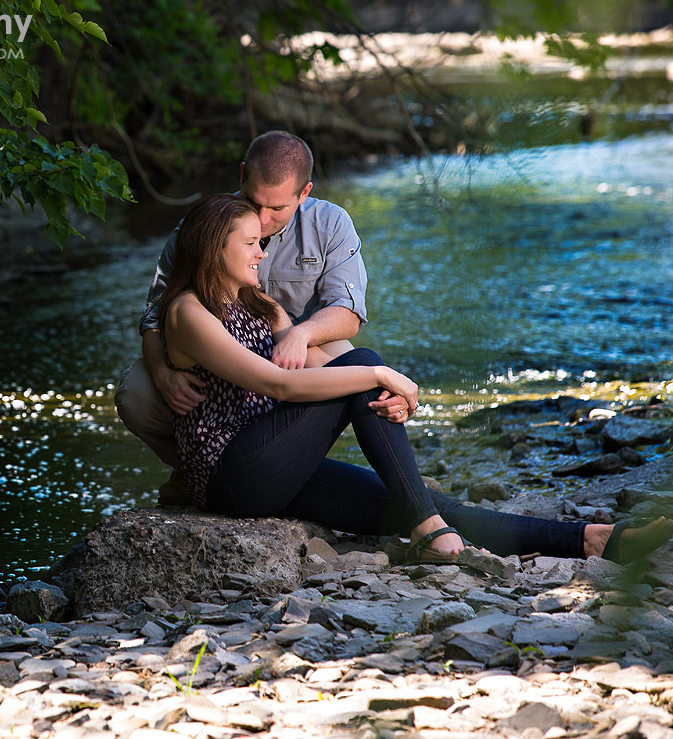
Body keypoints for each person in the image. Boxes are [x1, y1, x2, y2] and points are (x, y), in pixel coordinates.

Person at [157, 192, 669, 562]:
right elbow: (280, 385)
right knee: (363, 366)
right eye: (249, 243)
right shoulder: (187, 312)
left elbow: (314, 369)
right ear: (212, 246)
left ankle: (593, 539)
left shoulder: (259, 303)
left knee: (418, 500)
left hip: (277, 464)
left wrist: (381, 395)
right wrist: (378, 372)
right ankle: (428, 528)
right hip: (232, 477)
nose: (262, 252)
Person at [116, 130, 406, 500]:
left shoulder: (330, 224)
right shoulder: (208, 226)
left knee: (360, 364)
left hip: (293, 347)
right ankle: (192, 471)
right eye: (254, 202)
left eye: (278, 208)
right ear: (241, 176)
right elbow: (156, 316)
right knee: (135, 391)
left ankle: (391, 480)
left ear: (305, 193)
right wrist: (162, 371)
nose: (263, 218)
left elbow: (347, 313)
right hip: (215, 362)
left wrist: (300, 336)